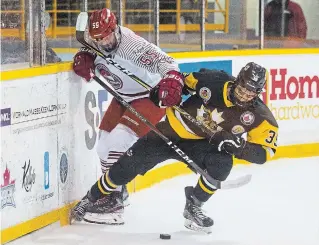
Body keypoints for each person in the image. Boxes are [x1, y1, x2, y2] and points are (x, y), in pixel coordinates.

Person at [71, 62, 279, 233]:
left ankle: (194, 206)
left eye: (250, 93)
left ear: (258, 93)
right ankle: (91, 198)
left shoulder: (260, 117)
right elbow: (180, 83)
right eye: (242, 88)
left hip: (201, 144)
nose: (244, 95)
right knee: (127, 166)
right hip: (168, 131)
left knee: (222, 164)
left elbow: (265, 153)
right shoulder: (214, 80)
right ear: (237, 81)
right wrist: (167, 93)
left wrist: (239, 148)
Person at [72, 8, 183, 225]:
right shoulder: (93, 39)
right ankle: (117, 191)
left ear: (114, 27)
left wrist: (172, 79)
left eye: (106, 36)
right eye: (98, 39)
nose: (103, 42)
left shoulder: (132, 47)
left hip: (148, 97)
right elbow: (89, 51)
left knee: (118, 142)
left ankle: (113, 202)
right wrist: (83, 57)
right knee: (103, 147)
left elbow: (168, 63)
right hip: (123, 97)